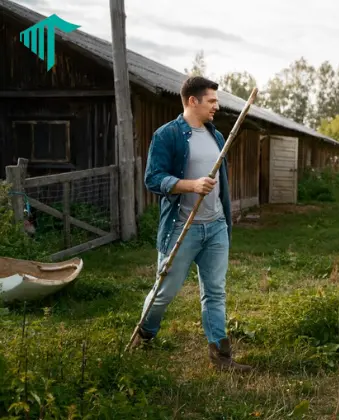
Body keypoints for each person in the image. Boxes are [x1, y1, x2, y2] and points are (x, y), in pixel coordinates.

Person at [136, 76, 251, 373]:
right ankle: (146, 332)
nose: (217, 105)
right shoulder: (168, 135)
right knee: (165, 291)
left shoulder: (216, 136)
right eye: (212, 100)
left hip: (215, 227)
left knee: (215, 291)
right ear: (192, 101)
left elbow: (221, 183)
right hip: (181, 226)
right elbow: (153, 178)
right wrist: (189, 185)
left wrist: (225, 219)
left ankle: (220, 355)